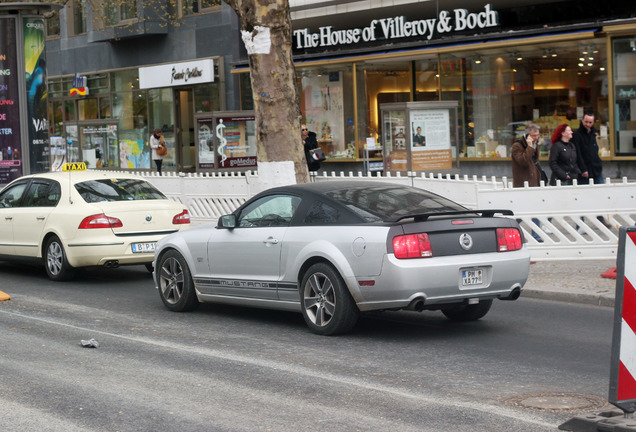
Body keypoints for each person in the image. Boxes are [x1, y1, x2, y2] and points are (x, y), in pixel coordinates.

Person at [511, 123, 545, 242]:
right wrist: (530, 147)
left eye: (538, 135)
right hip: (523, 184)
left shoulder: (535, 145)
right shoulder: (517, 146)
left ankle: (536, 235)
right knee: (523, 211)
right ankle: (511, 226)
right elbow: (523, 162)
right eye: (534, 135)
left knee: (535, 209)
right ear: (527, 135)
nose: (537, 137)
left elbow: (534, 162)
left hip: (534, 182)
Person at [574, 113, 604, 185]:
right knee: (586, 193)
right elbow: (578, 153)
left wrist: (599, 164)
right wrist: (583, 169)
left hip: (596, 169)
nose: (587, 124)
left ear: (593, 123)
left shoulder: (593, 133)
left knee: (601, 191)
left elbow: (595, 150)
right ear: (582, 121)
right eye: (586, 122)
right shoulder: (577, 135)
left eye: (590, 122)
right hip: (585, 171)